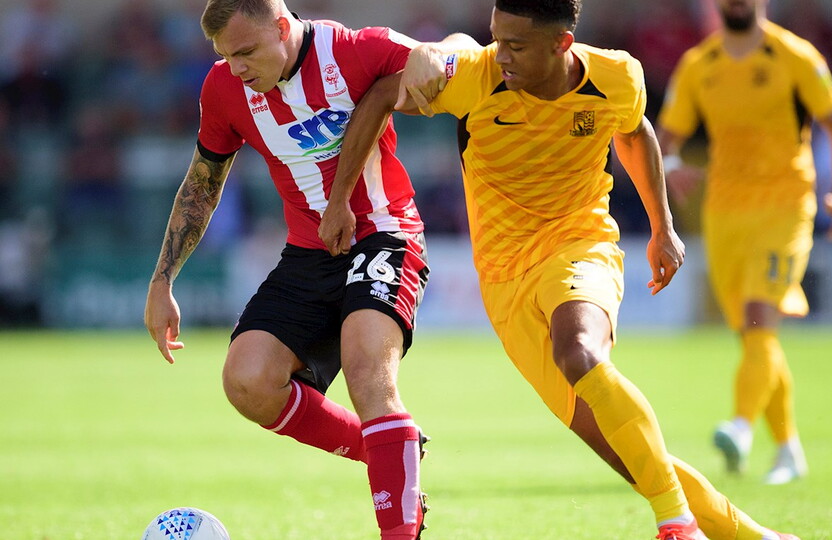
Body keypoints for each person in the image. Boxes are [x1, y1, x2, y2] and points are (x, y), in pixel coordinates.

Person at [329, 1, 799, 538]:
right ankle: (752, 536)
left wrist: (662, 226)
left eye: (516, 45)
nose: (501, 55)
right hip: (504, 281)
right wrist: (340, 198)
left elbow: (634, 132)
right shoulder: (475, 76)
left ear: (562, 44)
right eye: (496, 38)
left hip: (580, 244)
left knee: (579, 351)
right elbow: (381, 96)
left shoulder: (617, 76)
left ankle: (676, 524)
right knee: (629, 453)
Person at [143, 2, 467, 538]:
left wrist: (441, 50)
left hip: (384, 232)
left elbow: (461, 53)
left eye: (246, 52)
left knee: (368, 373)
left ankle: (397, 517)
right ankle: (389, 450)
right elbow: (202, 184)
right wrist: (162, 281)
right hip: (310, 251)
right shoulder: (223, 87)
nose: (236, 67)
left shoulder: (355, 50)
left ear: (281, 27)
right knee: (248, 381)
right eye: (225, 55)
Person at [656, 0, 832, 484]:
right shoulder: (698, 65)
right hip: (724, 214)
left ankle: (741, 425)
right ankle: (789, 449)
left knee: (759, 316)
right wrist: (669, 165)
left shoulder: (795, 56)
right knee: (754, 334)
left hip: (786, 207)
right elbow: (663, 138)